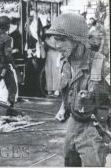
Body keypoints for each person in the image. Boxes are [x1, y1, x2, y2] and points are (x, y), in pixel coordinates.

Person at [47, 13, 110, 166]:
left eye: (62, 39)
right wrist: (63, 109)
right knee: (70, 161)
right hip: (73, 123)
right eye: (55, 39)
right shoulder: (66, 62)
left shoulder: (99, 64)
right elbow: (67, 89)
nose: (57, 45)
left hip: (94, 127)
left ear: (78, 40)